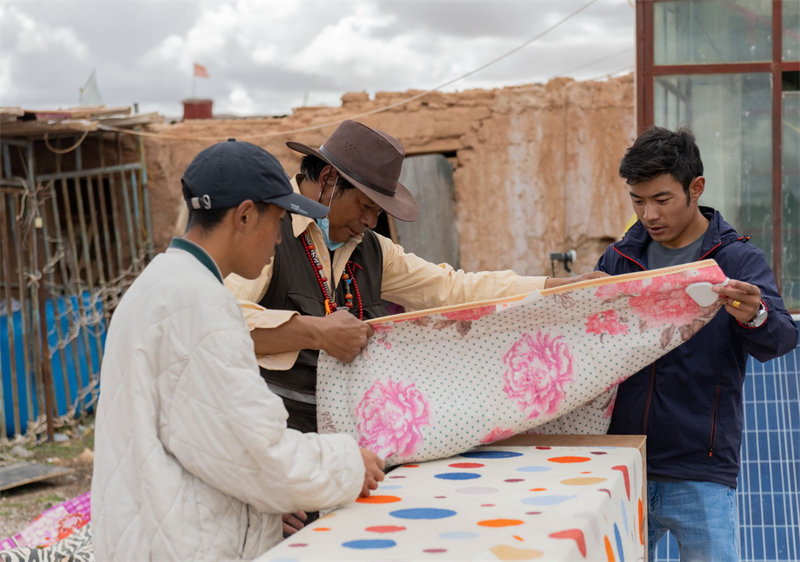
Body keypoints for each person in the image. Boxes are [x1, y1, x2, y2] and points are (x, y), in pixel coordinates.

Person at [91, 139, 385, 560]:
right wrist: (347, 464)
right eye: (279, 221)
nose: (280, 241)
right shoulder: (199, 305)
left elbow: (210, 444)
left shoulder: (162, 284)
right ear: (245, 216)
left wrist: (262, 503)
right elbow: (256, 452)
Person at [225, 119, 602, 434]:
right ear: (328, 179)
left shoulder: (372, 249)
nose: (371, 222)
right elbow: (224, 323)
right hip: (272, 441)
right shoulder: (268, 229)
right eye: (365, 206)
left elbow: (451, 290)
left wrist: (550, 288)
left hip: (346, 448)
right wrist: (316, 332)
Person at [596, 127, 798, 561]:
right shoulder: (619, 260)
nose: (648, 214)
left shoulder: (736, 259)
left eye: (662, 199)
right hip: (621, 463)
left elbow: (781, 337)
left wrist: (754, 315)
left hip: (700, 467)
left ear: (696, 187)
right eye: (637, 200)